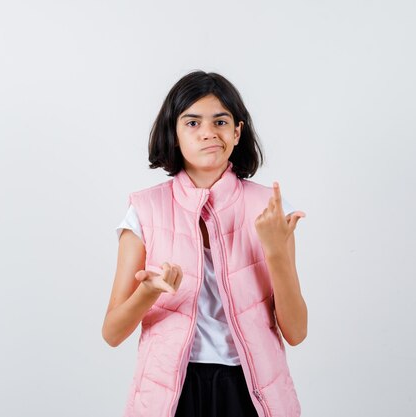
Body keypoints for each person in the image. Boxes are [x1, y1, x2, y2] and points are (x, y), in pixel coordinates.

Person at [102, 70, 307, 417]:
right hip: (172, 391)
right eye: (192, 122)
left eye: (221, 121)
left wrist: (275, 252)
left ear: (237, 131)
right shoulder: (144, 209)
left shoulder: (269, 210)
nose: (209, 133)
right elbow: (112, 332)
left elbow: (296, 331)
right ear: (174, 133)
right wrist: (150, 292)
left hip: (250, 389)